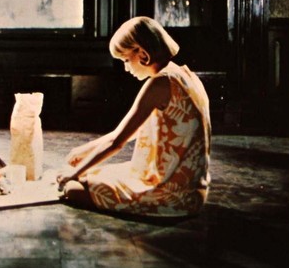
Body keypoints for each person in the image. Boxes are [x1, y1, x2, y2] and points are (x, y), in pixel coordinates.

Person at [57, 16, 211, 217]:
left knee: (72, 188)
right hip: (193, 191)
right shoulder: (184, 75)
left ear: (143, 55)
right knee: (90, 174)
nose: (125, 68)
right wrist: (83, 151)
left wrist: (73, 174)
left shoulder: (160, 83)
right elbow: (130, 132)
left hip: (175, 196)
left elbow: (117, 142)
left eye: (126, 60)